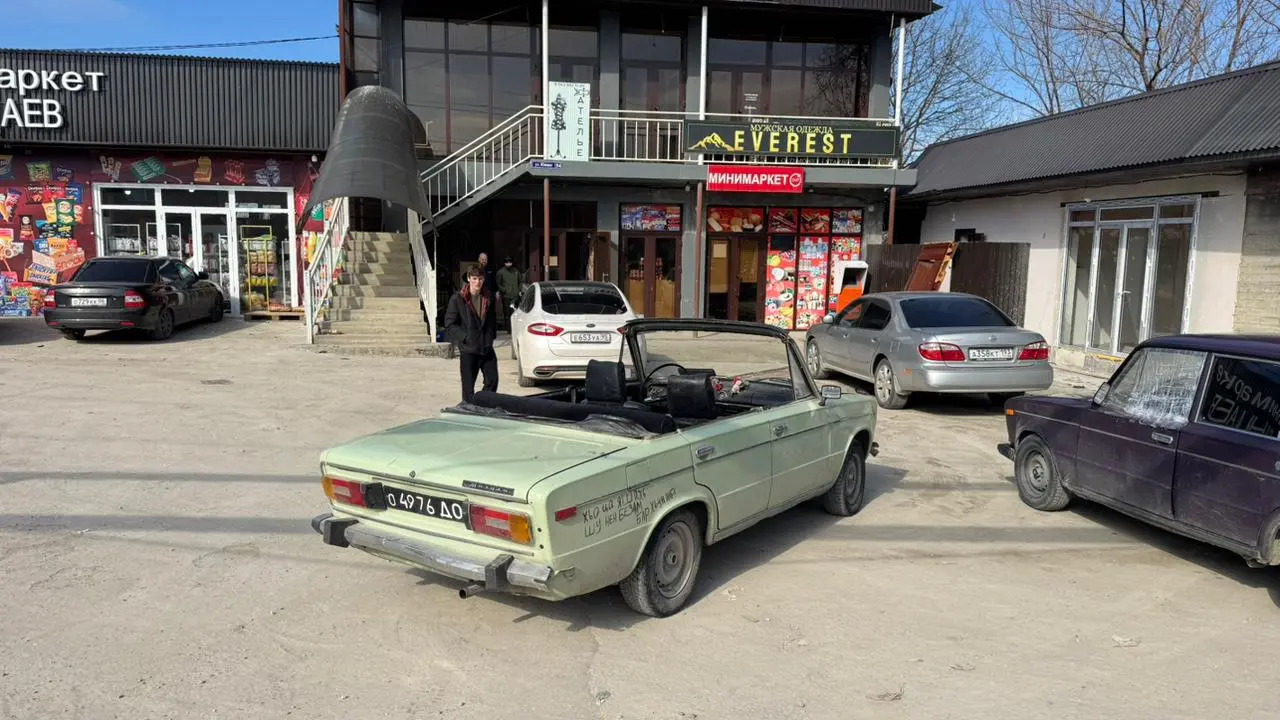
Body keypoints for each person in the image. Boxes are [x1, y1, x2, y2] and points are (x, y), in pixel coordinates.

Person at [443, 264, 499, 403]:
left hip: (486, 348)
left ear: (484, 279)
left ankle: (482, 405)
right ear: (469, 279)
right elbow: (450, 323)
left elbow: (491, 320)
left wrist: (491, 335)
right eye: (474, 278)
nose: (477, 282)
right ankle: (469, 411)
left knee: (492, 380)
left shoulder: (488, 296)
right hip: (469, 350)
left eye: (480, 278)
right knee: (468, 389)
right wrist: (465, 338)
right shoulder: (458, 299)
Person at [496, 255, 522, 331]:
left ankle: (515, 328)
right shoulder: (500, 272)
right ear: (504, 263)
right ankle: (509, 329)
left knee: (515, 312)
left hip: (515, 295)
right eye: (507, 262)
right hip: (506, 296)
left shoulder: (516, 271)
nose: (508, 263)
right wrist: (504, 290)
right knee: (507, 313)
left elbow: (520, 282)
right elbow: (498, 283)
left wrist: (519, 290)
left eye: (510, 262)